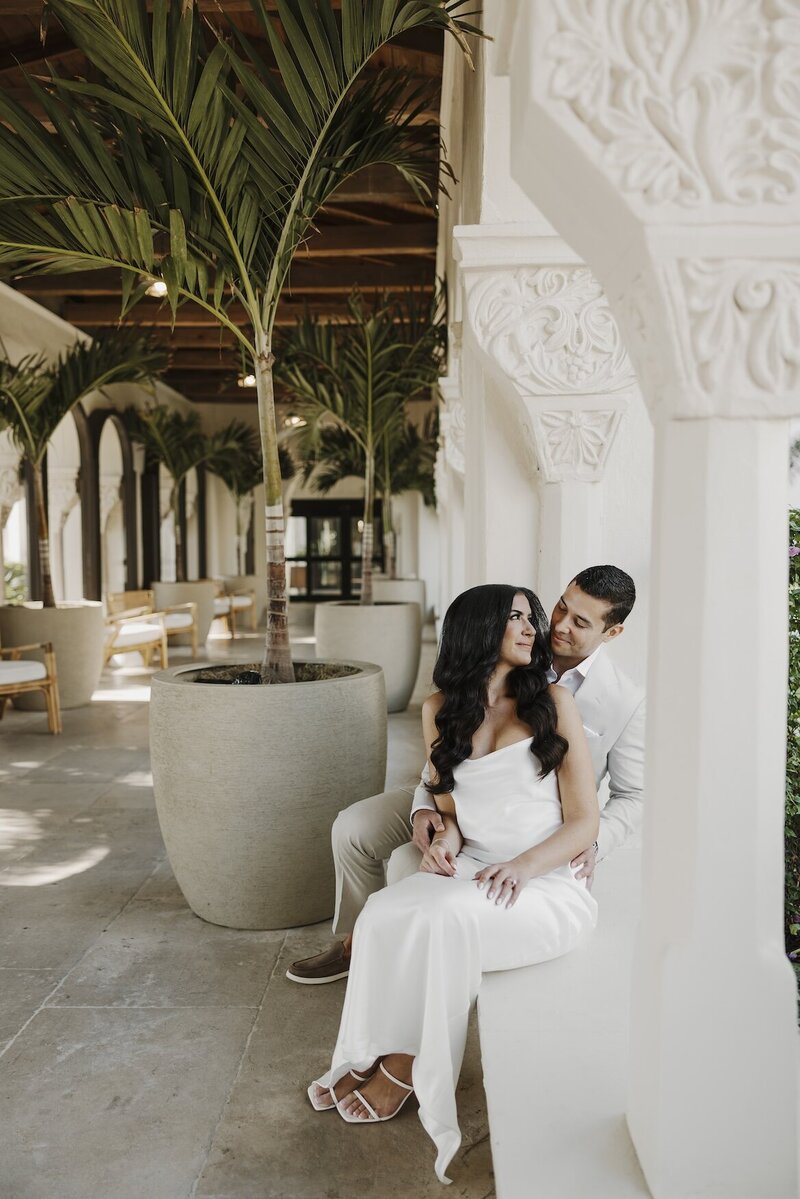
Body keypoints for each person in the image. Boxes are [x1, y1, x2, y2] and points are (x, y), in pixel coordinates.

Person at [307, 584, 599, 1183]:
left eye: (530, 617)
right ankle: (363, 1050)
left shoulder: (552, 702)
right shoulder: (439, 708)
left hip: (543, 883)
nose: (529, 627)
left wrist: (522, 867)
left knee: (443, 922)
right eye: (514, 616)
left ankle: (403, 1067)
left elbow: (584, 821)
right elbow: (456, 812)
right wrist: (444, 839)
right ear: (477, 628)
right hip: (473, 867)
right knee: (383, 913)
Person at [287, 564, 644, 986]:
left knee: (408, 864)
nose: (559, 626)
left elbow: (633, 795)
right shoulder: (517, 641)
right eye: (561, 607)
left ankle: (388, 946)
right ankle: (354, 940)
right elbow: (446, 753)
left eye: (580, 622)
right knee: (353, 828)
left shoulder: (625, 701)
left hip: (530, 820)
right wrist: (425, 810)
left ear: (612, 633)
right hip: (457, 793)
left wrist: (592, 841)